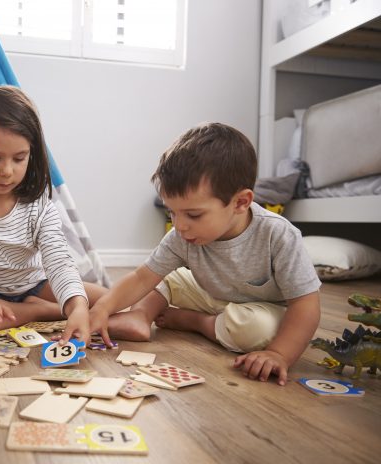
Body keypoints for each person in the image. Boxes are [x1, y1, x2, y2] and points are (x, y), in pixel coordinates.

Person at [89, 122, 321, 385]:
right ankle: (140, 316)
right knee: (164, 278)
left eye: (193, 215)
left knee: (259, 329)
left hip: (258, 310)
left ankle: (197, 322)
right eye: (171, 212)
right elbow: (143, 278)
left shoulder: (278, 235)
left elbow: (306, 305)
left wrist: (279, 353)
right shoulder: (181, 235)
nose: (179, 225)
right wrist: (103, 308)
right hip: (210, 294)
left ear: (241, 203)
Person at [0, 85, 106, 345]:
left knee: (107, 299)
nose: (7, 171)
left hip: (36, 284)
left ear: (31, 152)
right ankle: (40, 311)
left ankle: (48, 307)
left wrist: (77, 306)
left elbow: (59, 262)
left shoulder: (41, 206)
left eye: (19, 158)